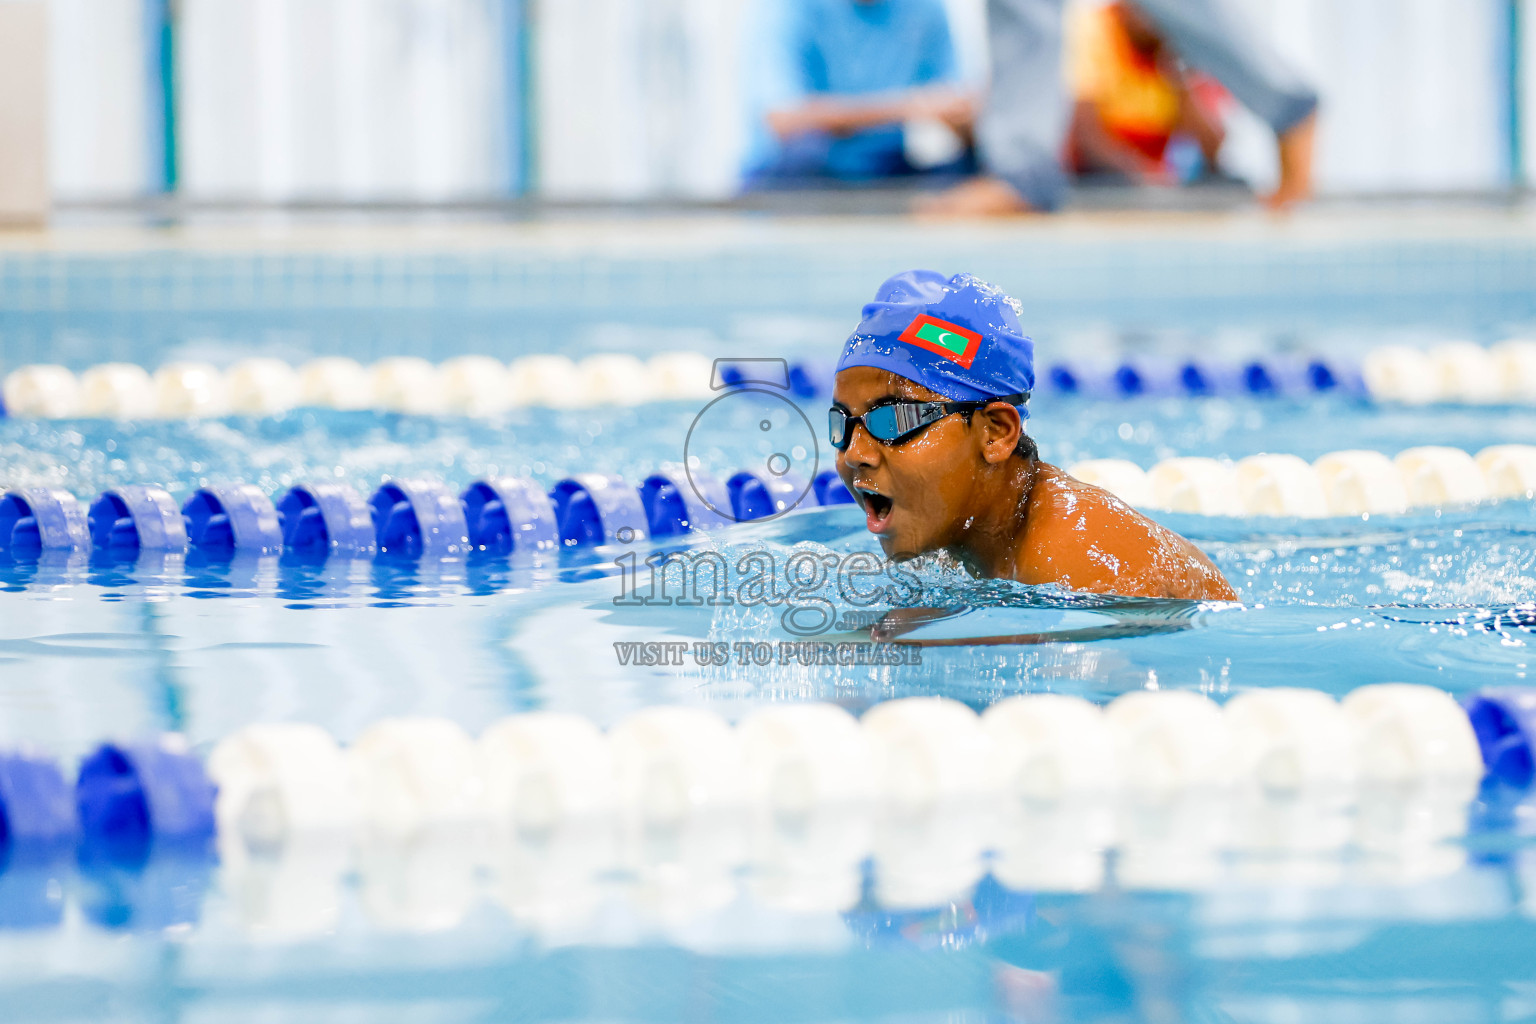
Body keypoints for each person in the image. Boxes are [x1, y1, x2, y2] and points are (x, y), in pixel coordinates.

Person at [830, 269, 1236, 600]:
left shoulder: (1081, 556)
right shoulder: (954, 534)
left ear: (997, 432)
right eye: (844, 423)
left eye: (895, 420)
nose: (855, 453)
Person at [925, 0, 1317, 214]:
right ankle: (1022, 174)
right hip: (1101, 173)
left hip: (1140, 174)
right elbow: (1085, 128)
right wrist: (1146, 182)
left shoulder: (1167, 55)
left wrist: (1177, 72)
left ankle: (1286, 101)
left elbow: (1215, 143)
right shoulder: (1098, 33)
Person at [743, 0, 976, 184]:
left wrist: (966, 118)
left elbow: (952, 101)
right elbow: (784, 120)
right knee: (803, 155)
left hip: (893, 167)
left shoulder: (926, 8)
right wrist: (907, 107)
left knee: (970, 171)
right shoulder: (787, 7)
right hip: (803, 174)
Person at [1065, 0, 1226, 184]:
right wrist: (1144, 175)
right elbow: (1085, 131)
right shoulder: (1095, 30)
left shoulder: (1164, 47)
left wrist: (1180, 78)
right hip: (1095, 181)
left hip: (1146, 185)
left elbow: (1213, 146)